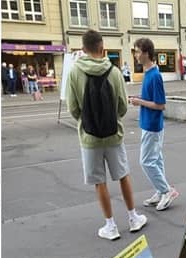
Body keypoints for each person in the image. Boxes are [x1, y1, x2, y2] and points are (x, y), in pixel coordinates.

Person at [68, 30, 146, 241]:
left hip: (89, 137)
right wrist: (112, 119)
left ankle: (110, 226)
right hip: (113, 135)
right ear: (102, 49)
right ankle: (133, 218)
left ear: (83, 50)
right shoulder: (114, 72)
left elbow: (73, 108)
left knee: (99, 182)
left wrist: (86, 122)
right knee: (123, 175)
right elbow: (122, 106)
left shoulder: (74, 72)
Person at [132, 38, 179, 212]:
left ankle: (166, 191)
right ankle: (161, 191)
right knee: (156, 160)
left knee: (146, 161)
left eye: (137, 51)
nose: (135, 55)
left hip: (152, 125)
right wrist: (139, 100)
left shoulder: (155, 76)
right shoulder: (149, 73)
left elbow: (161, 105)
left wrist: (140, 102)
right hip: (150, 124)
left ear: (146, 53)